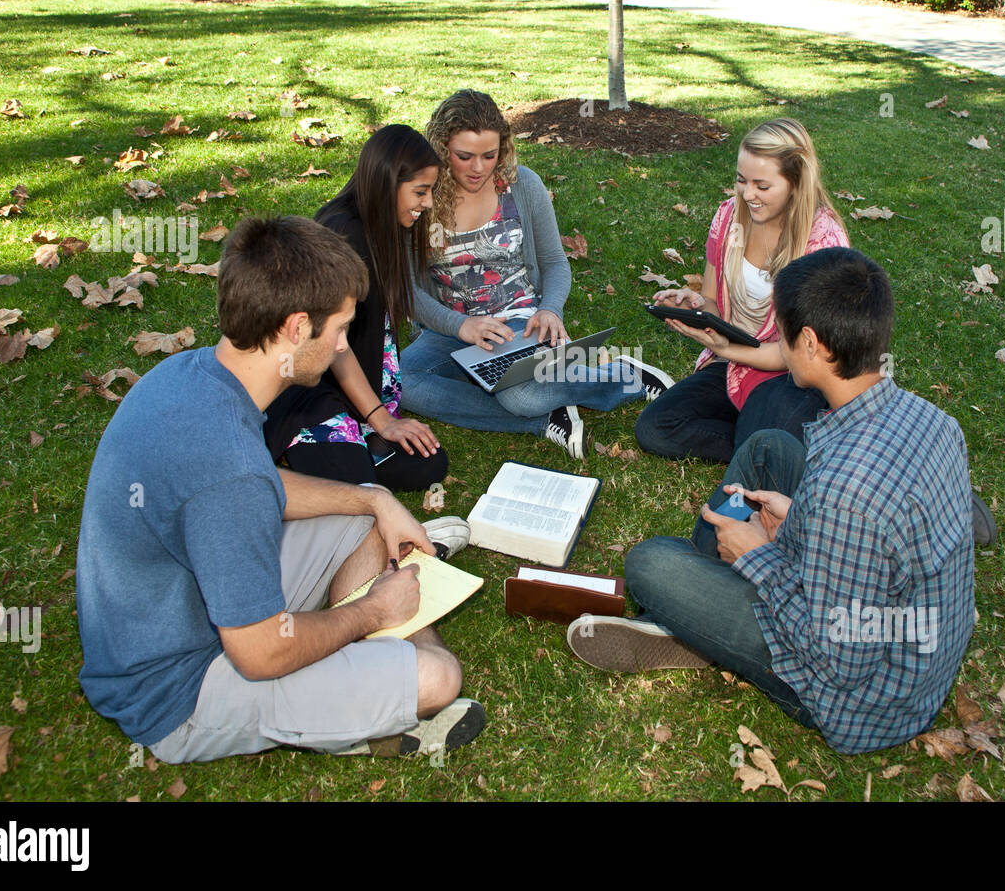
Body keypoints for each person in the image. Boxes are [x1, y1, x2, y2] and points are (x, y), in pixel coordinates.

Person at [76, 216, 485, 764]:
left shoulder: (191, 373)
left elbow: (258, 488)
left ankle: (355, 675)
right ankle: (363, 687)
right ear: (297, 328)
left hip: (190, 605)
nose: (344, 345)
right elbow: (260, 653)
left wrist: (376, 499)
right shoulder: (231, 470)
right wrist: (372, 614)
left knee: (363, 521)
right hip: (182, 688)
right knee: (438, 677)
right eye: (340, 329)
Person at [568, 247, 989, 755]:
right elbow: (880, 545)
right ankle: (699, 616)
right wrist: (800, 521)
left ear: (809, 343)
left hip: (856, 698)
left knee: (650, 563)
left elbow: (839, 659)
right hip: (910, 641)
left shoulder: (845, 493)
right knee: (769, 448)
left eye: (782, 333)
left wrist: (758, 557)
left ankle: (691, 622)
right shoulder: (935, 420)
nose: (777, 344)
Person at [399, 89, 673, 460]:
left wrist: (550, 310)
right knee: (402, 383)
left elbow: (555, 263)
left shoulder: (522, 186)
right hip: (450, 329)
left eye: (489, 155)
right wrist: (459, 326)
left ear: (504, 148)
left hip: (517, 322)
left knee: (520, 393)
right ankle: (543, 420)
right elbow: (411, 291)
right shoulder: (422, 197)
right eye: (464, 156)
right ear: (440, 148)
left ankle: (626, 377)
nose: (478, 168)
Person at [635, 118, 848, 464]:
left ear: (795, 183)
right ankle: (766, 445)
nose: (748, 194)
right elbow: (714, 303)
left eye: (762, 186)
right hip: (731, 363)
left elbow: (804, 353)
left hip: (794, 376)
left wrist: (727, 347)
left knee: (764, 444)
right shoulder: (729, 218)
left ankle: (767, 441)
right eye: (741, 180)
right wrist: (696, 307)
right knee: (654, 428)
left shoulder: (822, 243)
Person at [262, 126, 449, 493]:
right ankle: (305, 454)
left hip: (354, 391)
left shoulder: (385, 223)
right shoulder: (343, 235)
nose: (427, 203)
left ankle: (342, 448)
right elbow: (333, 345)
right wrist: (381, 420)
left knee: (427, 464)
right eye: (420, 192)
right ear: (386, 183)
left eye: (430, 192)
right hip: (311, 391)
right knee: (355, 496)